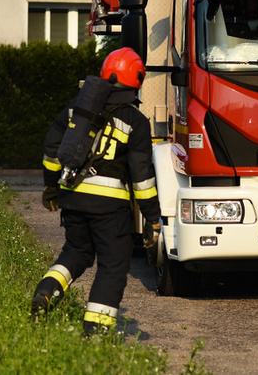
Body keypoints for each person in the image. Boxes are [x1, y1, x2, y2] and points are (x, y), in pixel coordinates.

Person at [30, 48, 161, 336]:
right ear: (136, 79)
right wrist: (153, 219)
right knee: (113, 266)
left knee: (76, 251)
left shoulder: (77, 109)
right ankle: (96, 333)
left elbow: (52, 149)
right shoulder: (136, 121)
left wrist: (51, 188)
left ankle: (46, 290)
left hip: (73, 198)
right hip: (110, 209)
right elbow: (142, 178)